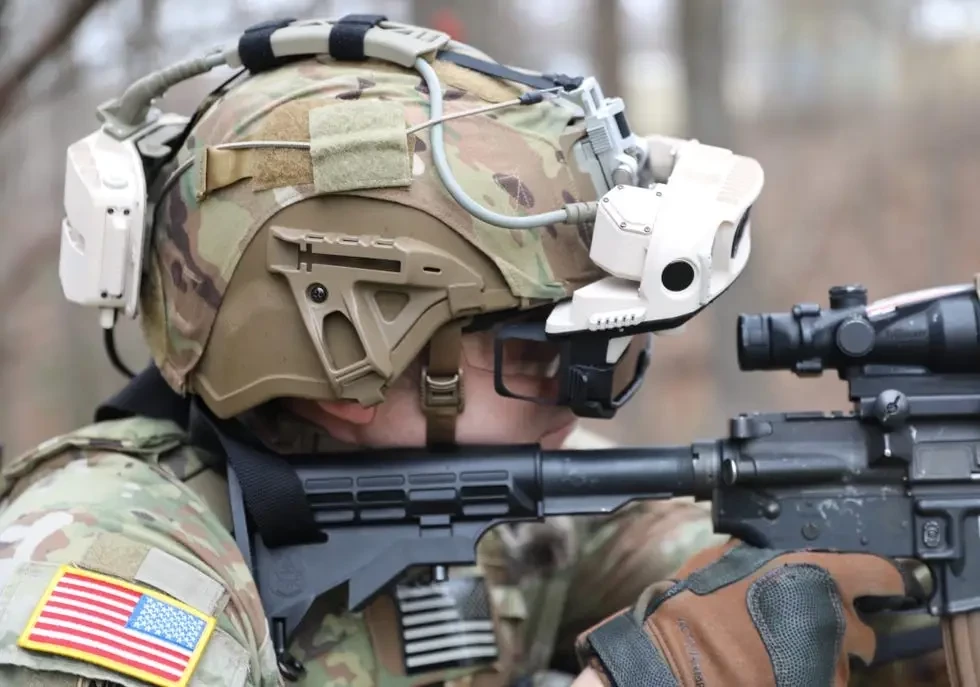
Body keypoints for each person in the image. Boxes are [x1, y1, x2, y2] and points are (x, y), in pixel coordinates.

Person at [0, 16, 950, 687]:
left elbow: (726, 564)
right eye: (540, 356)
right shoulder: (105, 566)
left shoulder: (497, 494)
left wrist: (890, 561)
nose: (581, 399)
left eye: (607, 353)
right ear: (352, 362)